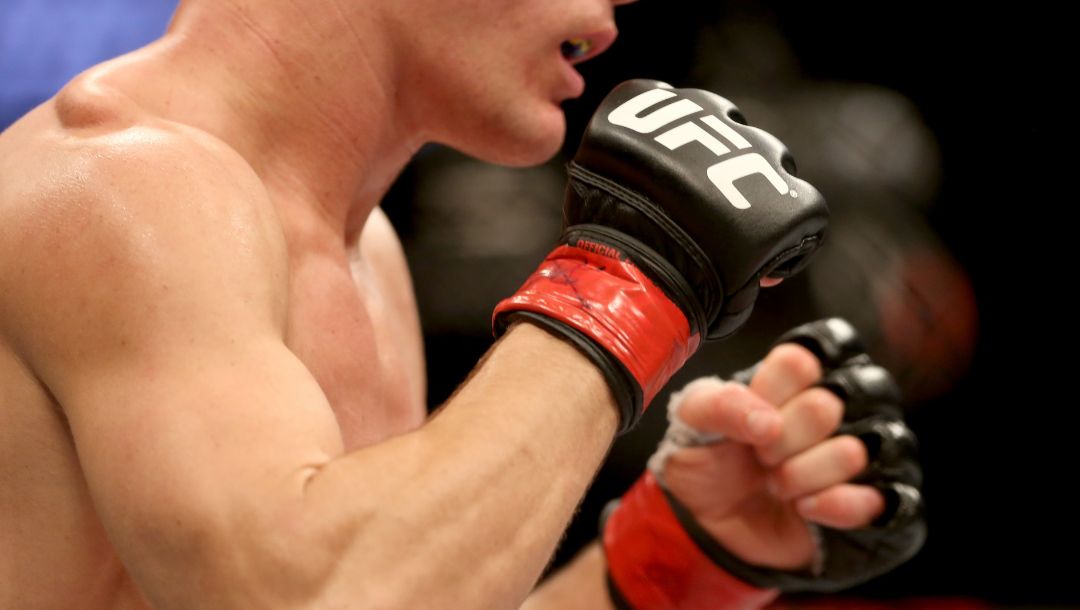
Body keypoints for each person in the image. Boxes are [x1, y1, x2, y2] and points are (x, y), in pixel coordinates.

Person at [0, 1, 923, 608]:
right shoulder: (123, 186)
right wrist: (629, 286)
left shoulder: (365, 249)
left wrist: (671, 563)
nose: (616, 7)